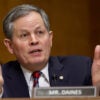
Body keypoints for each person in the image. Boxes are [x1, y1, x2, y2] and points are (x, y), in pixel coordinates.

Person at [0, 4, 100, 98]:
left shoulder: (82, 69)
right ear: (10, 45)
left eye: (40, 32)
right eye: (24, 35)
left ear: (50, 38)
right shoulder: (2, 78)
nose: (34, 41)